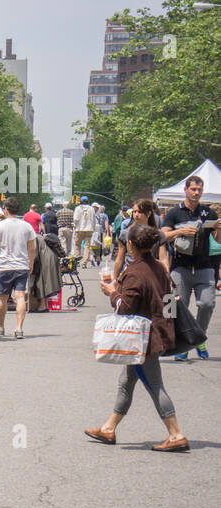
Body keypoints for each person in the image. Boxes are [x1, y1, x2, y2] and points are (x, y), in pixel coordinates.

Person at [85, 224, 188, 452]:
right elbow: (169, 299)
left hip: (143, 341)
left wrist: (112, 293)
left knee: (155, 385)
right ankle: (109, 428)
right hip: (156, 333)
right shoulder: (160, 267)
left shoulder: (134, 272)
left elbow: (124, 308)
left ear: (130, 244)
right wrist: (167, 326)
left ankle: (175, 433)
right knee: (126, 382)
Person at [159, 175, 217, 360]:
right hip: (180, 267)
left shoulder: (209, 213)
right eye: (193, 189)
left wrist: (219, 228)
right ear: (186, 190)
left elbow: (217, 240)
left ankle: (198, 338)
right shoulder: (174, 213)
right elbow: (162, 236)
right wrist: (180, 231)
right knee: (176, 307)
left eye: (199, 190)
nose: (197, 193)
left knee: (207, 304)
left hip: (204, 267)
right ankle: (181, 345)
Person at [0, 198, 36, 339]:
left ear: (5, 209)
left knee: (2, 299)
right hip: (22, 266)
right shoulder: (27, 226)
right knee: (20, 297)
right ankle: (19, 329)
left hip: (5, 266)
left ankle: (1, 327)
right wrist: (31, 262)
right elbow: (32, 248)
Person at [113, 199, 166, 278]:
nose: (136, 215)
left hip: (151, 273)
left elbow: (163, 259)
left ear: (149, 213)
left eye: (140, 212)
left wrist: (166, 278)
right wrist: (114, 278)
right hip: (131, 274)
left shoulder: (158, 234)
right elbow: (120, 259)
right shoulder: (125, 234)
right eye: (134, 212)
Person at [73, 196, 96, 267]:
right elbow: (94, 220)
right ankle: (84, 263)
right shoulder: (91, 209)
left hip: (79, 229)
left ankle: (77, 261)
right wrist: (93, 228)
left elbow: (76, 219)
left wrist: (75, 225)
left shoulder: (78, 208)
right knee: (87, 246)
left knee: (77, 245)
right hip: (89, 229)